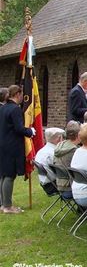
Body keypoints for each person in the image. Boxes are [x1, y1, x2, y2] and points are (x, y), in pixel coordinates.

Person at [0, 85, 35, 214]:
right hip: (12, 146)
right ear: (17, 94)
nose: (22, 98)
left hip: (3, 144)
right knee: (9, 175)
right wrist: (30, 131)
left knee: (3, 175)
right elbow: (19, 128)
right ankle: (7, 206)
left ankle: (3, 204)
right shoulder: (15, 109)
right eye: (21, 95)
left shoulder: (3, 108)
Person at [53, 121, 82, 199]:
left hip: (60, 184)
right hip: (69, 187)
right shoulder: (74, 150)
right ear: (79, 135)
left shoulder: (60, 145)